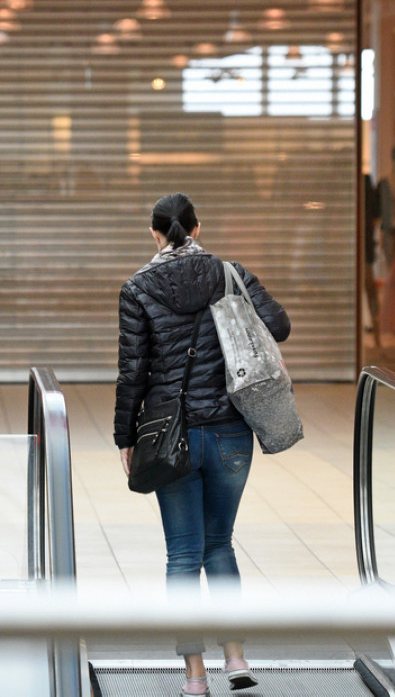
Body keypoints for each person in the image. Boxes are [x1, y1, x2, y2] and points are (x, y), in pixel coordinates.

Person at [114, 193, 291, 695]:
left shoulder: (137, 288)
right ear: (197, 227)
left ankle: (194, 676)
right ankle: (236, 657)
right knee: (220, 544)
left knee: (182, 555)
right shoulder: (231, 273)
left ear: (155, 233)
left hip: (171, 437)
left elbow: (132, 373)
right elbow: (279, 326)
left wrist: (124, 436)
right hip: (232, 431)